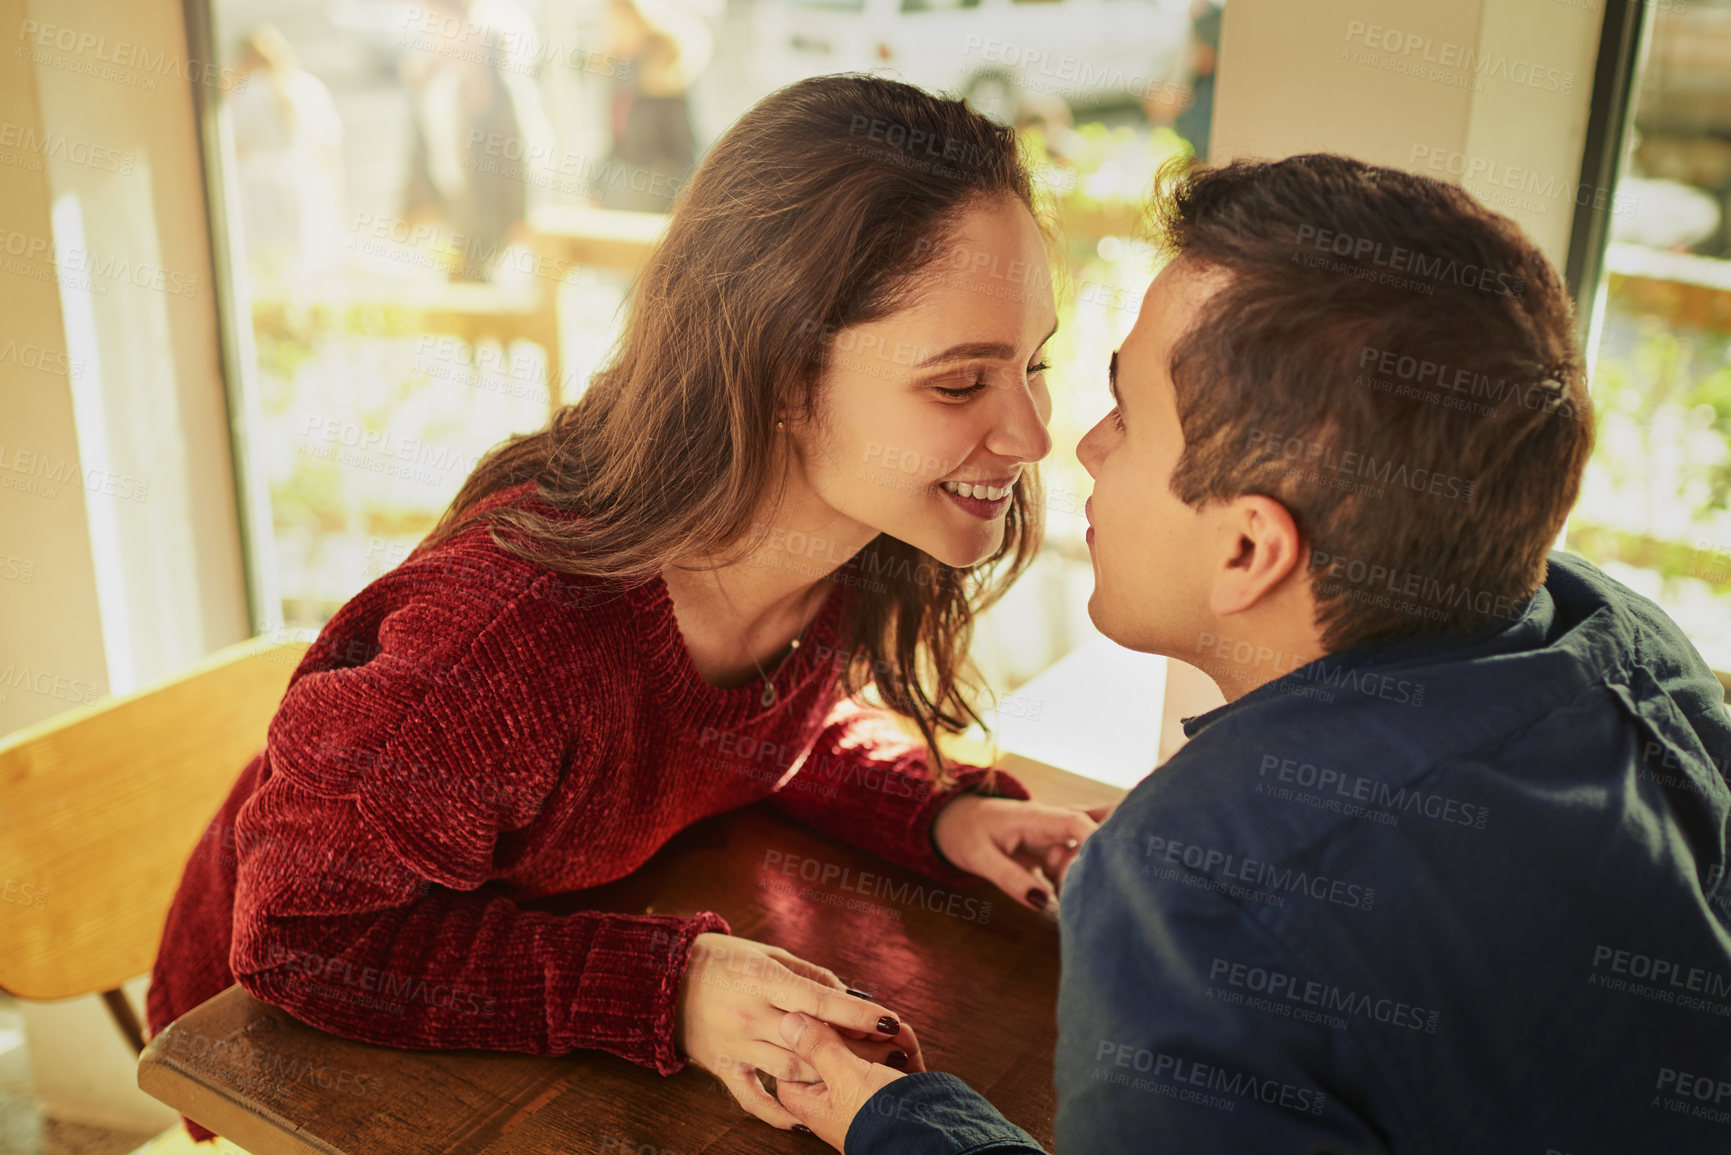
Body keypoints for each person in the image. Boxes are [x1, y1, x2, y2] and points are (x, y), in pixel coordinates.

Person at [145, 74, 1101, 1143]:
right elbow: (298, 937)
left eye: (1037, 363)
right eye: (960, 385)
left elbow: (754, 735)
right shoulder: (502, 639)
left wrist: (941, 813)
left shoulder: (839, 553)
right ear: (782, 373)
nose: (1031, 433)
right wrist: (671, 988)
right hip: (284, 1072)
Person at [771, 153, 1731, 1152]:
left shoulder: (1194, 901)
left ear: (1246, 548)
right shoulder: (1626, 638)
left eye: (1129, 416)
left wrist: (896, 1118)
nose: (1081, 445)